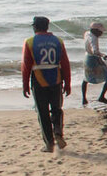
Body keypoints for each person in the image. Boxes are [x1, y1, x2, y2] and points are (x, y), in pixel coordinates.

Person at [20, 16, 71, 152]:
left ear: (35, 27)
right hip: (56, 79)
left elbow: (26, 66)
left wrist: (25, 85)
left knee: (42, 113)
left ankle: (49, 144)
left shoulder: (29, 42)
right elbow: (65, 64)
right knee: (57, 109)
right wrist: (68, 83)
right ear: (47, 27)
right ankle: (58, 133)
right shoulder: (58, 41)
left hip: (38, 80)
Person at [81, 21, 107, 106]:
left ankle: (84, 98)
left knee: (86, 78)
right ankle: (101, 96)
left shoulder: (87, 33)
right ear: (95, 30)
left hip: (86, 57)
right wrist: (103, 55)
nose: (101, 33)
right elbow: (95, 51)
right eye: (100, 31)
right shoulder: (94, 38)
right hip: (93, 59)